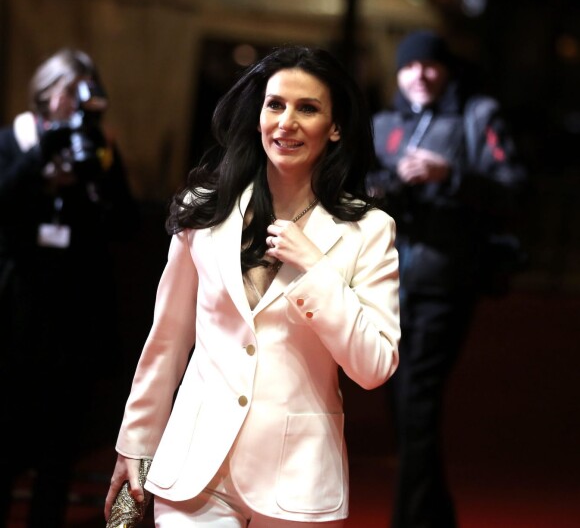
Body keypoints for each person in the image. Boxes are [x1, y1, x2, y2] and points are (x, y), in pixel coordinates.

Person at [104, 45, 401, 527]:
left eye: (308, 108)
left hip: (297, 481)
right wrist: (135, 444)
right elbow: (168, 340)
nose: (287, 121)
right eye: (275, 104)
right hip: (195, 470)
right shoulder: (205, 209)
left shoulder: (369, 230)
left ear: (336, 126)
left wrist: (315, 267)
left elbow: (374, 365)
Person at [367, 30, 527, 528]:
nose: (420, 74)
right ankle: (435, 517)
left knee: (417, 404)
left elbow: (515, 189)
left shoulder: (478, 116)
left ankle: (408, 520)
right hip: (389, 282)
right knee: (403, 407)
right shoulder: (384, 125)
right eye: (409, 66)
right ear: (398, 73)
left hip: (447, 280)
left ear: (448, 70)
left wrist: (449, 175)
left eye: (431, 65)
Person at [0, 48, 137, 527]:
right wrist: (44, 151)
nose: (74, 106)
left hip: (73, 323)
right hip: (16, 318)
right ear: (45, 92)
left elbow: (125, 222)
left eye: (84, 95)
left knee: (58, 456)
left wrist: (100, 163)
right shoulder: (15, 141)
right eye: (67, 93)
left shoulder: (95, 147)